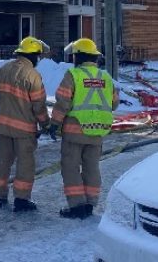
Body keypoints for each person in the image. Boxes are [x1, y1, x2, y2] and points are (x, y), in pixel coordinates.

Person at [50, 38, 120, 219]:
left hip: (75, 131)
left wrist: (54, 123)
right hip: (98, 132)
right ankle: (90, 204)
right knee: (92, 167)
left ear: (79, 57)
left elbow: (62, 103)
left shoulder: (73, 75)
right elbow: (114, 104)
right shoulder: (105, 77)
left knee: (71, 167)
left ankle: (77, 206)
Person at [0, 36, 51, 212]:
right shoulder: (33, 75)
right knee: (25, 164)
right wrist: (46, 124)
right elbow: (39, 106)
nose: (38, 59)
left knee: (4, 161)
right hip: (24, 131)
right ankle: (21, 200)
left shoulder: (5, 68)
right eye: (37, 56)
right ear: (32, 55)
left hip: (3, 127)